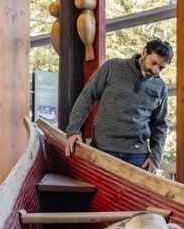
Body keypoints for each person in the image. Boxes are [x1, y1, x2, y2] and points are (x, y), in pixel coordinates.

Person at [64, 39, 172, 173]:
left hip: (138, 158)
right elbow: (86, 96)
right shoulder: (112, 67)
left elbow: (160, 125)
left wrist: (155, 157)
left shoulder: (160, 87)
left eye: (161, 68)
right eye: (153, 62)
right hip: (103, 151)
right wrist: (73, 129)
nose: (155, 70)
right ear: (144, 52)